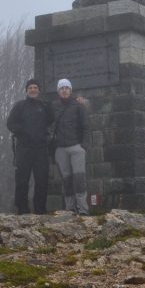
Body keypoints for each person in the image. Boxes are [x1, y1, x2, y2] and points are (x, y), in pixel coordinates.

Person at [6, 78, 54, 214]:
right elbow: (10, 124)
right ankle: (22, 208)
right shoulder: (19, 106)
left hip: (41, 149)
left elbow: (51, 120)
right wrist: (22, 132)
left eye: (35, 88)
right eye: (30, 88)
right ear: (26, 91)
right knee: (22, 179)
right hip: (24, 148)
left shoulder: (44, 106)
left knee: (42, 180)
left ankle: (40, 208)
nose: (33, 90)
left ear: (39, 90)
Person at [51, 78, 89, 215]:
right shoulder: (54, 106)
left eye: (67, 88)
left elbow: (86, 126)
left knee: (79, 179)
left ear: (70, 90)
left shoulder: (79, 105)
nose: (64, 90)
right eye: (62, 88)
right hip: (60, 148)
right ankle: (70, 209)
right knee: (66, 180)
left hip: (76, 147)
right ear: (58, 91)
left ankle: (83, 209)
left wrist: (83, 145)